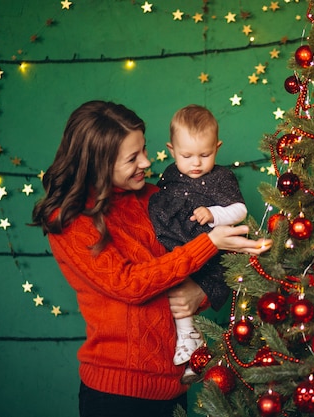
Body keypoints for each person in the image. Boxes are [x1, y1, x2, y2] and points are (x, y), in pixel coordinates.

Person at [31, 100, 271, 417]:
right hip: (117, 394)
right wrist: (210, 243)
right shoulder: (72, 220)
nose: (147, 161)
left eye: (144, 149)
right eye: (133, 158)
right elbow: (130, 284)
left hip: (173, 388)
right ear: (98, 164)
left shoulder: (153, 198)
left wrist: (200, 292)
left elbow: (195, 266)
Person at [149, 104, 247, 379]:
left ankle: (193, 347)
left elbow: (239, 210)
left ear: (218, 147)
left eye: (205, 155)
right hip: (180, 246)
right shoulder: (169, 175)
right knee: (174, 285)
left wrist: (214, 214)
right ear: (171, 150)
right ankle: (187, 341)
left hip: (210, 252)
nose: (196, 163)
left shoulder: (221, 177)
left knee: (188, 289)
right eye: (186, 155)